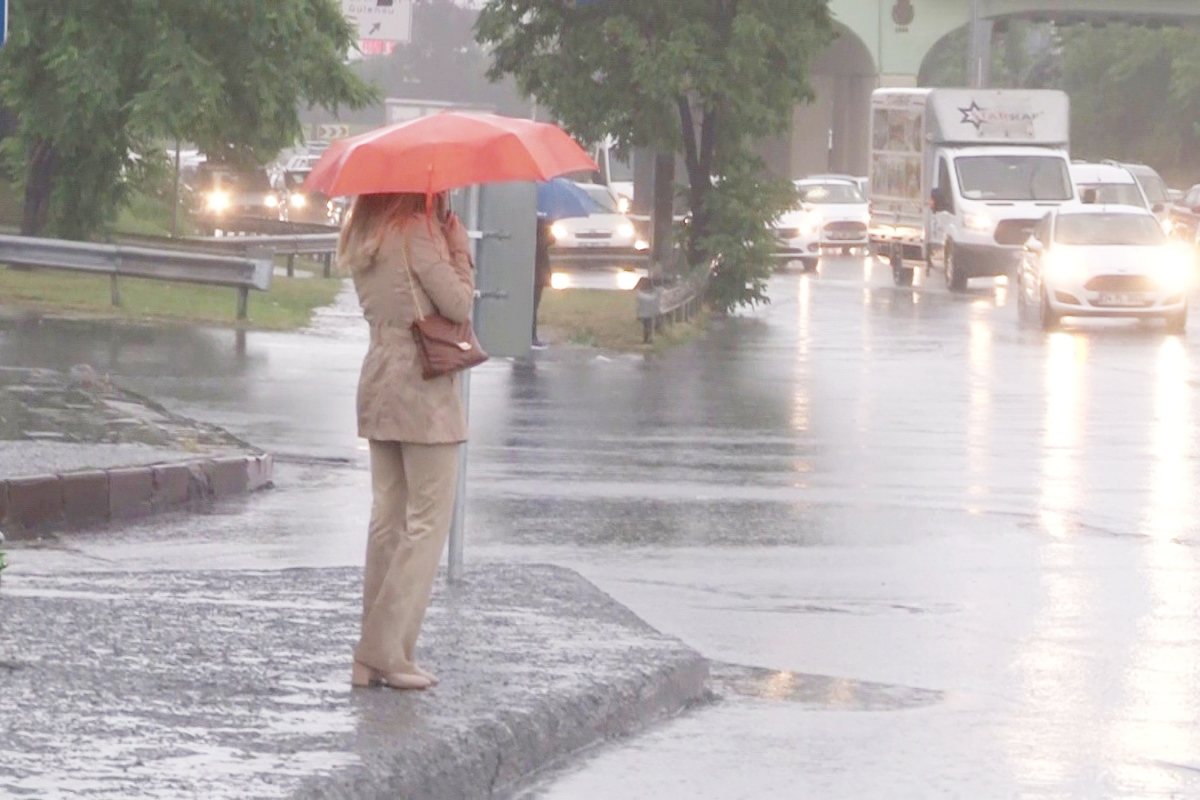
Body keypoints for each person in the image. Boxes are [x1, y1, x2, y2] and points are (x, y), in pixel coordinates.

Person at [337, 191, 475, 691]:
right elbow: (457, 303)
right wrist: (457, 248)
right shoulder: (417, 231)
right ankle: (383, 650)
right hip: (421, 385)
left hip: (378, 375)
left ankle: (374, 657)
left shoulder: (363, 231)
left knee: (388, 516)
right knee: (428, 520)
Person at [532, 215, 552, 348]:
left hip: (537, 271)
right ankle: (531, 336)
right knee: (533, 305)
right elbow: (547, 241)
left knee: (532, 306)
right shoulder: (540, 225)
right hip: (537, 271)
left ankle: (531, 335)